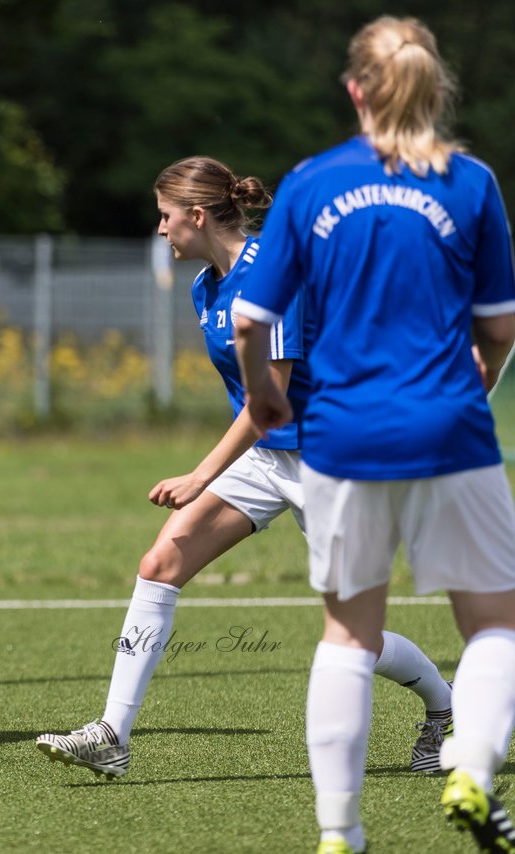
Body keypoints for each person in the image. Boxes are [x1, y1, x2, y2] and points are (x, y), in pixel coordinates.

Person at [34, 156, 455, 782]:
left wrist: (201, 474)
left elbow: (271, 400)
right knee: (161, 563)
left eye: (166, 217)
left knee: (354, 637)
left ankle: (446, 707)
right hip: (269, 456)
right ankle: (112, 736)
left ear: (197, 216)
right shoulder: (208, 284)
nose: (160, 230)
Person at [232, 17, 515, 854]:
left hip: (343, 436)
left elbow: (252, 317)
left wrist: (262, 399)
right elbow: (498, 328)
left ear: (356, 90)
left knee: (349, 635)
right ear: (435, 91)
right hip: (450, 431)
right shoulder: (470, 183)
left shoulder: (311, 183)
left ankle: (339, 833)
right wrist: (480, 387)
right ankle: (471, 767)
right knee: (494, 627)